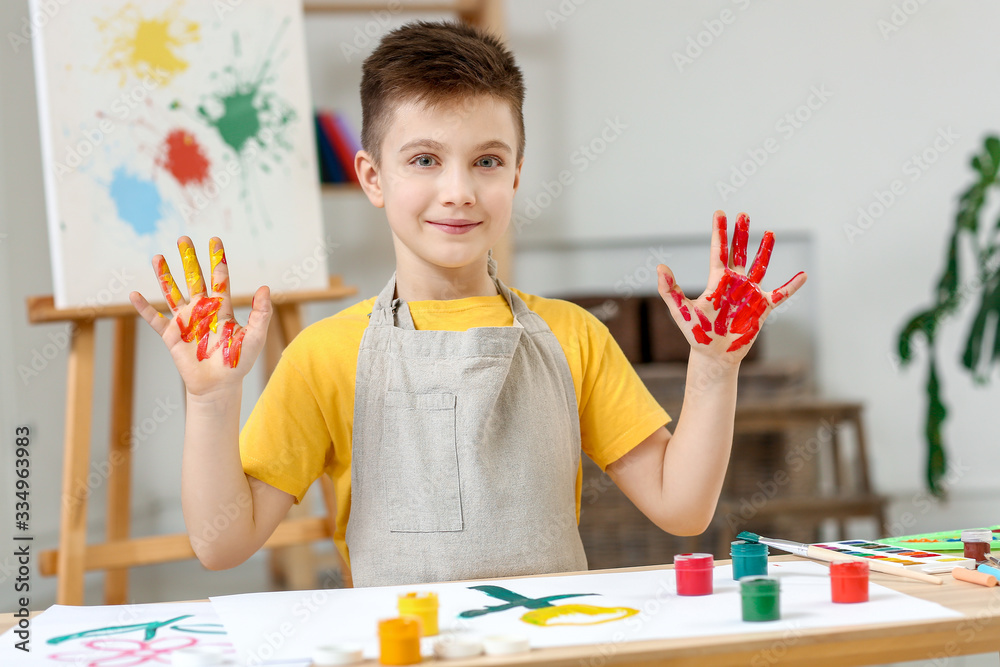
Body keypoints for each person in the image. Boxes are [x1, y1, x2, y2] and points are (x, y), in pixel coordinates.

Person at [129, 20, 806, 588]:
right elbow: (222, 543)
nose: (458, 190)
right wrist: (212, 401)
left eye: (486, 161)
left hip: (555, 650)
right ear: (372, 176)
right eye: (424, 160)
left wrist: (714, 368)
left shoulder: (573, 336)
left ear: (516, 172)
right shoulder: (323, 355)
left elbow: (683, 507)